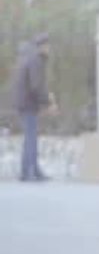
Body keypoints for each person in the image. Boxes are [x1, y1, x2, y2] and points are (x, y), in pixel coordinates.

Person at [12, 33, 54, 182]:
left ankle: (32, 170)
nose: (49, 48)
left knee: (31, 137)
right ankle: (29, 172)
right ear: (41, 46)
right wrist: (47, 103)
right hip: (27, 104)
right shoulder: (35, 60)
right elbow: (36, 85)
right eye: (47, 45)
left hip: (24, 102)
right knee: (31, 138)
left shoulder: (29, 58)